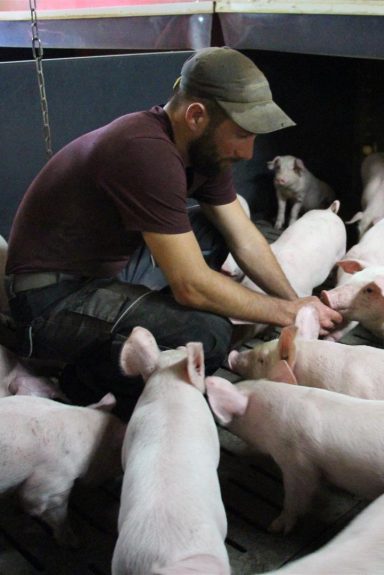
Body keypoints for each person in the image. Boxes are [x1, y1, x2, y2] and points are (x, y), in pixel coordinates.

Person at [5, 47, 341, 418]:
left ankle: (145, 323)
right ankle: (77, 385)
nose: (249, 153)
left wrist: (298, 305)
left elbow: (244, 237)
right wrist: (284, 313)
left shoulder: (203, 151)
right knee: (209, 336)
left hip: (106, 269)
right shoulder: (144, 151)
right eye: (243, 134)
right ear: (196, 115)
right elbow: (191, 286)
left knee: (214, 230)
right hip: (50, 301)